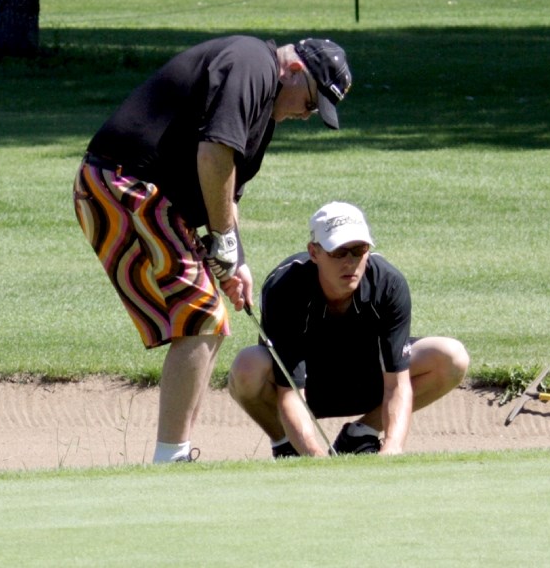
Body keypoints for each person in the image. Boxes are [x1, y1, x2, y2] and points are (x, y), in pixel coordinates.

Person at [73, 36, 352, 463]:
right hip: (123, 184)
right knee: (202, 316)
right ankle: (171, 459)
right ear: (294, 70)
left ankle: (174, 454)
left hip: (142, 196)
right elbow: (214, 154)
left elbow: (226, 194)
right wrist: (221, 242)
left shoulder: (262, 114)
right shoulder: (252, 64)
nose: (307, 115)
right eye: (310, 103)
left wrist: (236, 261)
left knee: (204, 320)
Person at [229, 201, 470, 457]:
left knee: (451, 356)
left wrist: (391, 452)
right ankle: (287, 443)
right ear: (314, 252)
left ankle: (361, 433)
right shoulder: (286, 287)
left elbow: (397, 384)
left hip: (366, 379)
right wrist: (317, 461)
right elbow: (291, 393)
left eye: (359, 250)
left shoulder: (388, 283)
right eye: (338, 252)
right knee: (248, 365)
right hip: (305, 387)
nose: (350, 261)